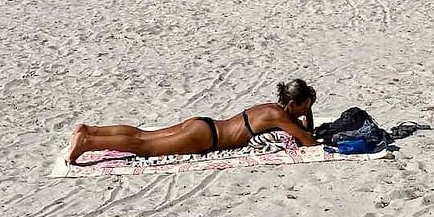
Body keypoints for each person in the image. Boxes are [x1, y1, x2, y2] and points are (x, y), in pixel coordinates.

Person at [67, 80, 317, 164]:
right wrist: (307, 116)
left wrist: (305, 112)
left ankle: (90, 130)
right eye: (305, 105)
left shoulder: (270, 107)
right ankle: (87, 142)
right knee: (145, 147)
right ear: (293, 103)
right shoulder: (281, 116)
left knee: (144, 135)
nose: (305, 111)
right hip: (207, 138)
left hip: (203, 124)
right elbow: (308, 142)